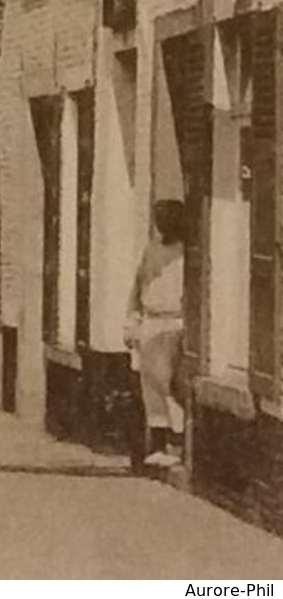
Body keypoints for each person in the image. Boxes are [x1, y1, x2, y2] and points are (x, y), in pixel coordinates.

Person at [127, 199, 187, 470]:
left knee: (169, 383)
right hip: (151, 321)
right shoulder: (151, 249)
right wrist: (132, 322)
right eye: (158, 218)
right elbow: (137, 286)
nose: (161, 224)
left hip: (175, 322)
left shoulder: (186, 253)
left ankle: (177, 443)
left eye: (167, 218)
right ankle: (158, 445)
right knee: (150, 384)